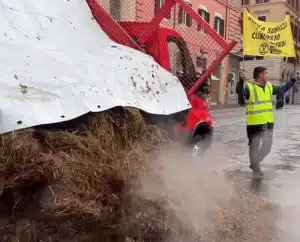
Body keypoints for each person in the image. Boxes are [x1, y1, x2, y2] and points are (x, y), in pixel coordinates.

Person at [236, 66, 296, 179]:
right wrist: (240, 80)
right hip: (254, 123)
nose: (268, 75)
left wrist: (292, 81)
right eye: (266, 73)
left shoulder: (269, 86)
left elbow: (282, 89)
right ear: (260, 75)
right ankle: (256, 171)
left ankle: (254, 163)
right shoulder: (249, 87)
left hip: (268, 122)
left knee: (267, 146)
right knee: (254, 147)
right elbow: (239, 93)